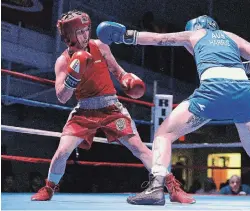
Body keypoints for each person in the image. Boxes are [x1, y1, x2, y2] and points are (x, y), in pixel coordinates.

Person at [96, 15, 250, 208]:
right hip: (243, 93)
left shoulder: (195, 33)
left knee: (163, 134)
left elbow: (158, 38)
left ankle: (156, 188)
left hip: (213, 90)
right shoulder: (230, 36)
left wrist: (124, 36)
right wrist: (243, 68)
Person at [30, 10, 195, 204]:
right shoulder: (62, 61)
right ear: (69, 36)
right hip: (84, 110)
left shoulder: (100, 46)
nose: (85, 35)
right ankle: (48, 188)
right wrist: (72, 78)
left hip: (111, 107)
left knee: (139, 148)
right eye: (80, 32)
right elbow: (62, 97)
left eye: (87, 30)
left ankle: (172, 187)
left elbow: (119, 72)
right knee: (62, 151)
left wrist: (128, 80)